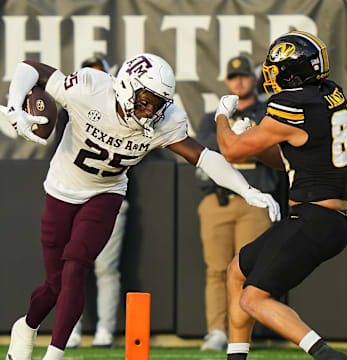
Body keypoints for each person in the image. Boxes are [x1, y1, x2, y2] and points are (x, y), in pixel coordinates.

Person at [2, 53, 280, 360]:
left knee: (76, 267)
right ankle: (26, 327)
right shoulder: (90, 87)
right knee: (54, 285)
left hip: (106, 193)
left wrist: (246, 188)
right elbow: (31, 68)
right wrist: (16, 106)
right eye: (145, 101)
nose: (150, 111)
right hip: (61, 189)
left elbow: (203, 157)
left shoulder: (165, 121)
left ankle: (53, 356)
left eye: (158, 104)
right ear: (125, 87)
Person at [214, 31, 347, 360]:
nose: (272, 76)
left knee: (254, 298)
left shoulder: (294, 103)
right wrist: (255, 139)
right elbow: (287, 159)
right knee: (237, 270)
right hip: (322, 217)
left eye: (277, 70)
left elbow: (231, 151)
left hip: (315, 219)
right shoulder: (330, 93)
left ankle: (328, 356)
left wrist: (222, 115)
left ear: (292, 74)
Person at [196, 54, 281, 351]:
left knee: (249, 268)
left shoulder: (267, 112)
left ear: (253, 78)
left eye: (244, 75)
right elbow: (210, 149)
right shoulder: (212, 117)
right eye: (233, 77)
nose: (239, 81)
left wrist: (238, 142)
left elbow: (268, 145)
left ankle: (241, 333)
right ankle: (217, 331)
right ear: (226, 81)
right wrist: (240, 141)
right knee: (216, 269)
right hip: (218, 200)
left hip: (254, 197)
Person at [52, 54, 126, 349]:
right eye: (89, 74)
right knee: (71, 266)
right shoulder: (73, 107)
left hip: (107, 198)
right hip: (72, 195)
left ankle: (105, 330)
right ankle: (69, 329)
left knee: (105, 268)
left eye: (100, 74)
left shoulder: (126, 113)